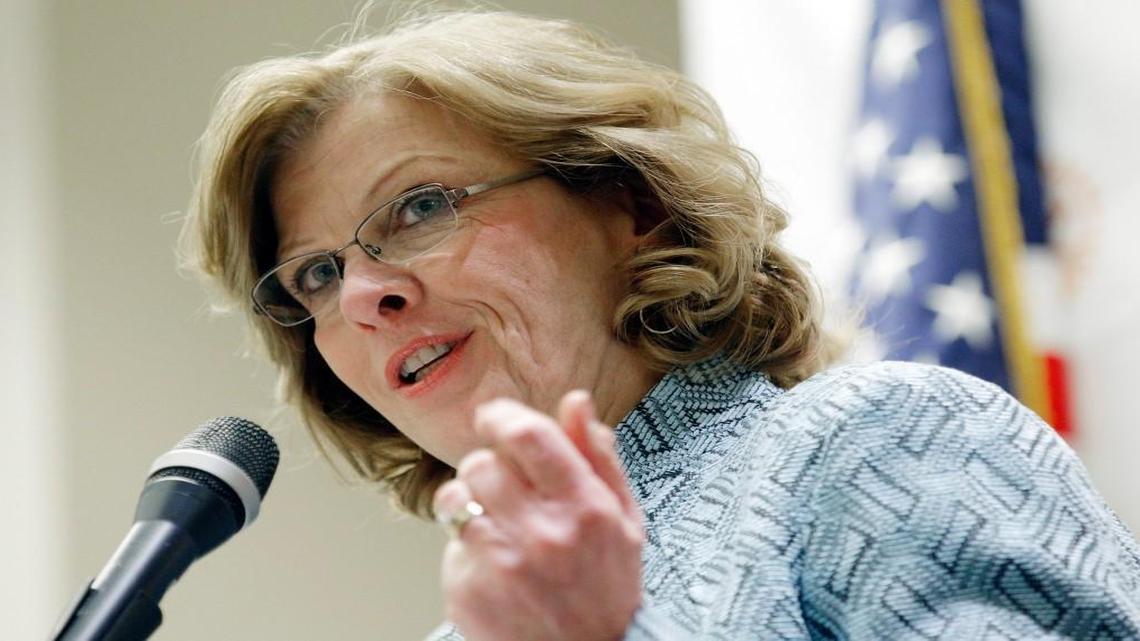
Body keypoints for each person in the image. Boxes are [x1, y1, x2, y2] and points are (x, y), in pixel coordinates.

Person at [180, 9, 1140, 640]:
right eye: (315, 272)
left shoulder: (881, 441)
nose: (360, 295)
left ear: (631, 204)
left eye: (421, 206)